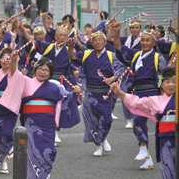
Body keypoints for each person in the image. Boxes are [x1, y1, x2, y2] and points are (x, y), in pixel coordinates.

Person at [0, 55, 80, 179]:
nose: (42, 72)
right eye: (40, 68)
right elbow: (15, 75)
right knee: (30, 152)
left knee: (47, 152)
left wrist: (75, 93)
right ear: (35, 69)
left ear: (50, 73)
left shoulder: (55, 87)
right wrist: (14, 61)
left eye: (46, 70)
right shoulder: (26, 82)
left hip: (47, 126)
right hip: (30, 124)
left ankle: (44, 176)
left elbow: (66, 98)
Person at [113, 21, 167, 169]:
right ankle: (144, 149)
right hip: (138, 93)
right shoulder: (136, 55)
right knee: (138, 120)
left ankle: (152, 151)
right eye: (142, 40)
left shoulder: (158, 58)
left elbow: (166, 77)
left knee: (164, 127)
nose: (144, 42)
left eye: (147, 40)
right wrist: (116, 32)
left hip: (153, 94)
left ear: (153, 42)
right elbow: (118, 46)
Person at [111, 67, 176, 179]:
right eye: (167, 81)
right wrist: (119, 92)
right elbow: (137, 103)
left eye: (174, 82)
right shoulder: (156, 100)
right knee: (168, 169)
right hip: (166, 140)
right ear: (161, 84)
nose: (171, 85)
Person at [68, 30, 123, 156]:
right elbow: (72, 56)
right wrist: (70, 45)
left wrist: (112, 78)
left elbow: (120, 69)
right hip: (90, 92)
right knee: (91, 120)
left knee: (107, 119)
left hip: (105, 93)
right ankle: (98, 145)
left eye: (100, 40)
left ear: (104, 42)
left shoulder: (110, 55)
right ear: (91, 43)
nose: (98, 42)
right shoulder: (87, 54)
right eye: (95, 40)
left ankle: (103, 138)